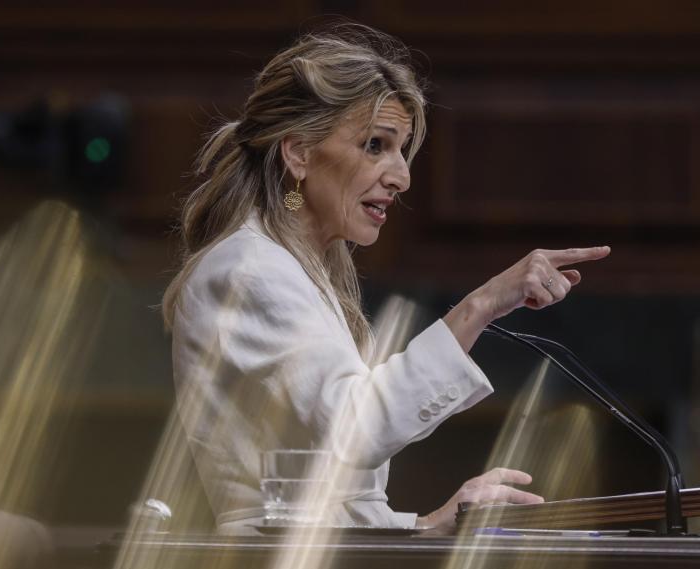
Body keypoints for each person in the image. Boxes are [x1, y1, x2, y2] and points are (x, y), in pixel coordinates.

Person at [162, 23, 610, 534]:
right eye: (376, 145)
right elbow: (357, 429)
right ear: (299, 153)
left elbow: (333, 500)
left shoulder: (298, 270)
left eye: (402, 150)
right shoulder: (248, 271)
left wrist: (429, 524)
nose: (402, 176)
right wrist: (480, 305)